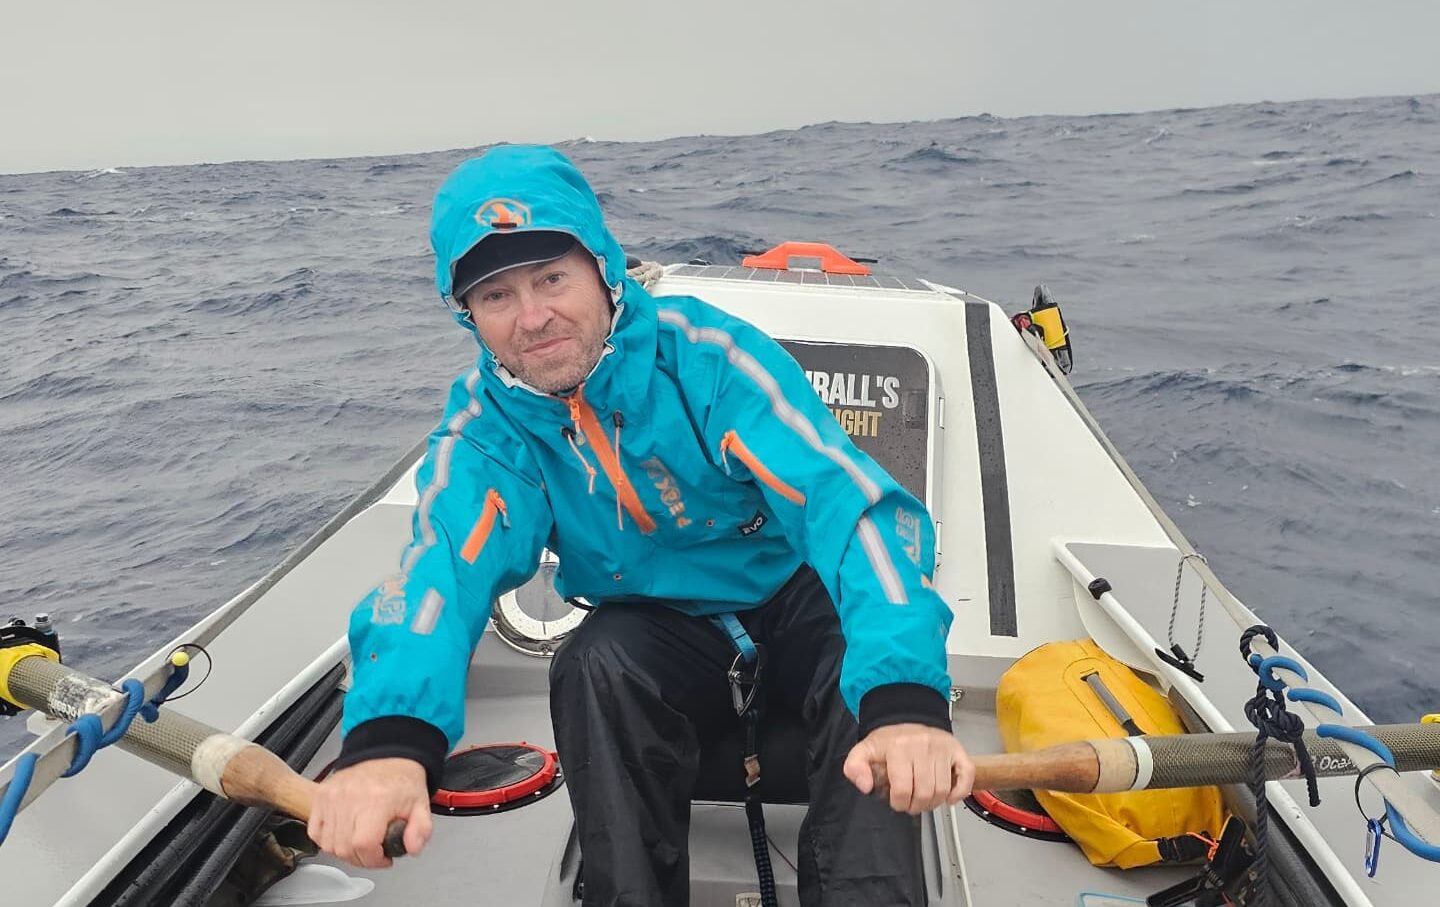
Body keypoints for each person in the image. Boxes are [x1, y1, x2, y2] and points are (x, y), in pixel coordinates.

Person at [308, 144, 975, 905]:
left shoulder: (711, 360)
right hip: (656, 627)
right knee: (593, 665)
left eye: (552, 278)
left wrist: (906, 699)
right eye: (496, 296)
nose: (533, 317)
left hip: (790, 599)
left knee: (868, 662)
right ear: (467, 314)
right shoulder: (485, 426)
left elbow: (852, 509)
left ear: (604, 267)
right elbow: (442, 566)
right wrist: (392, 734)